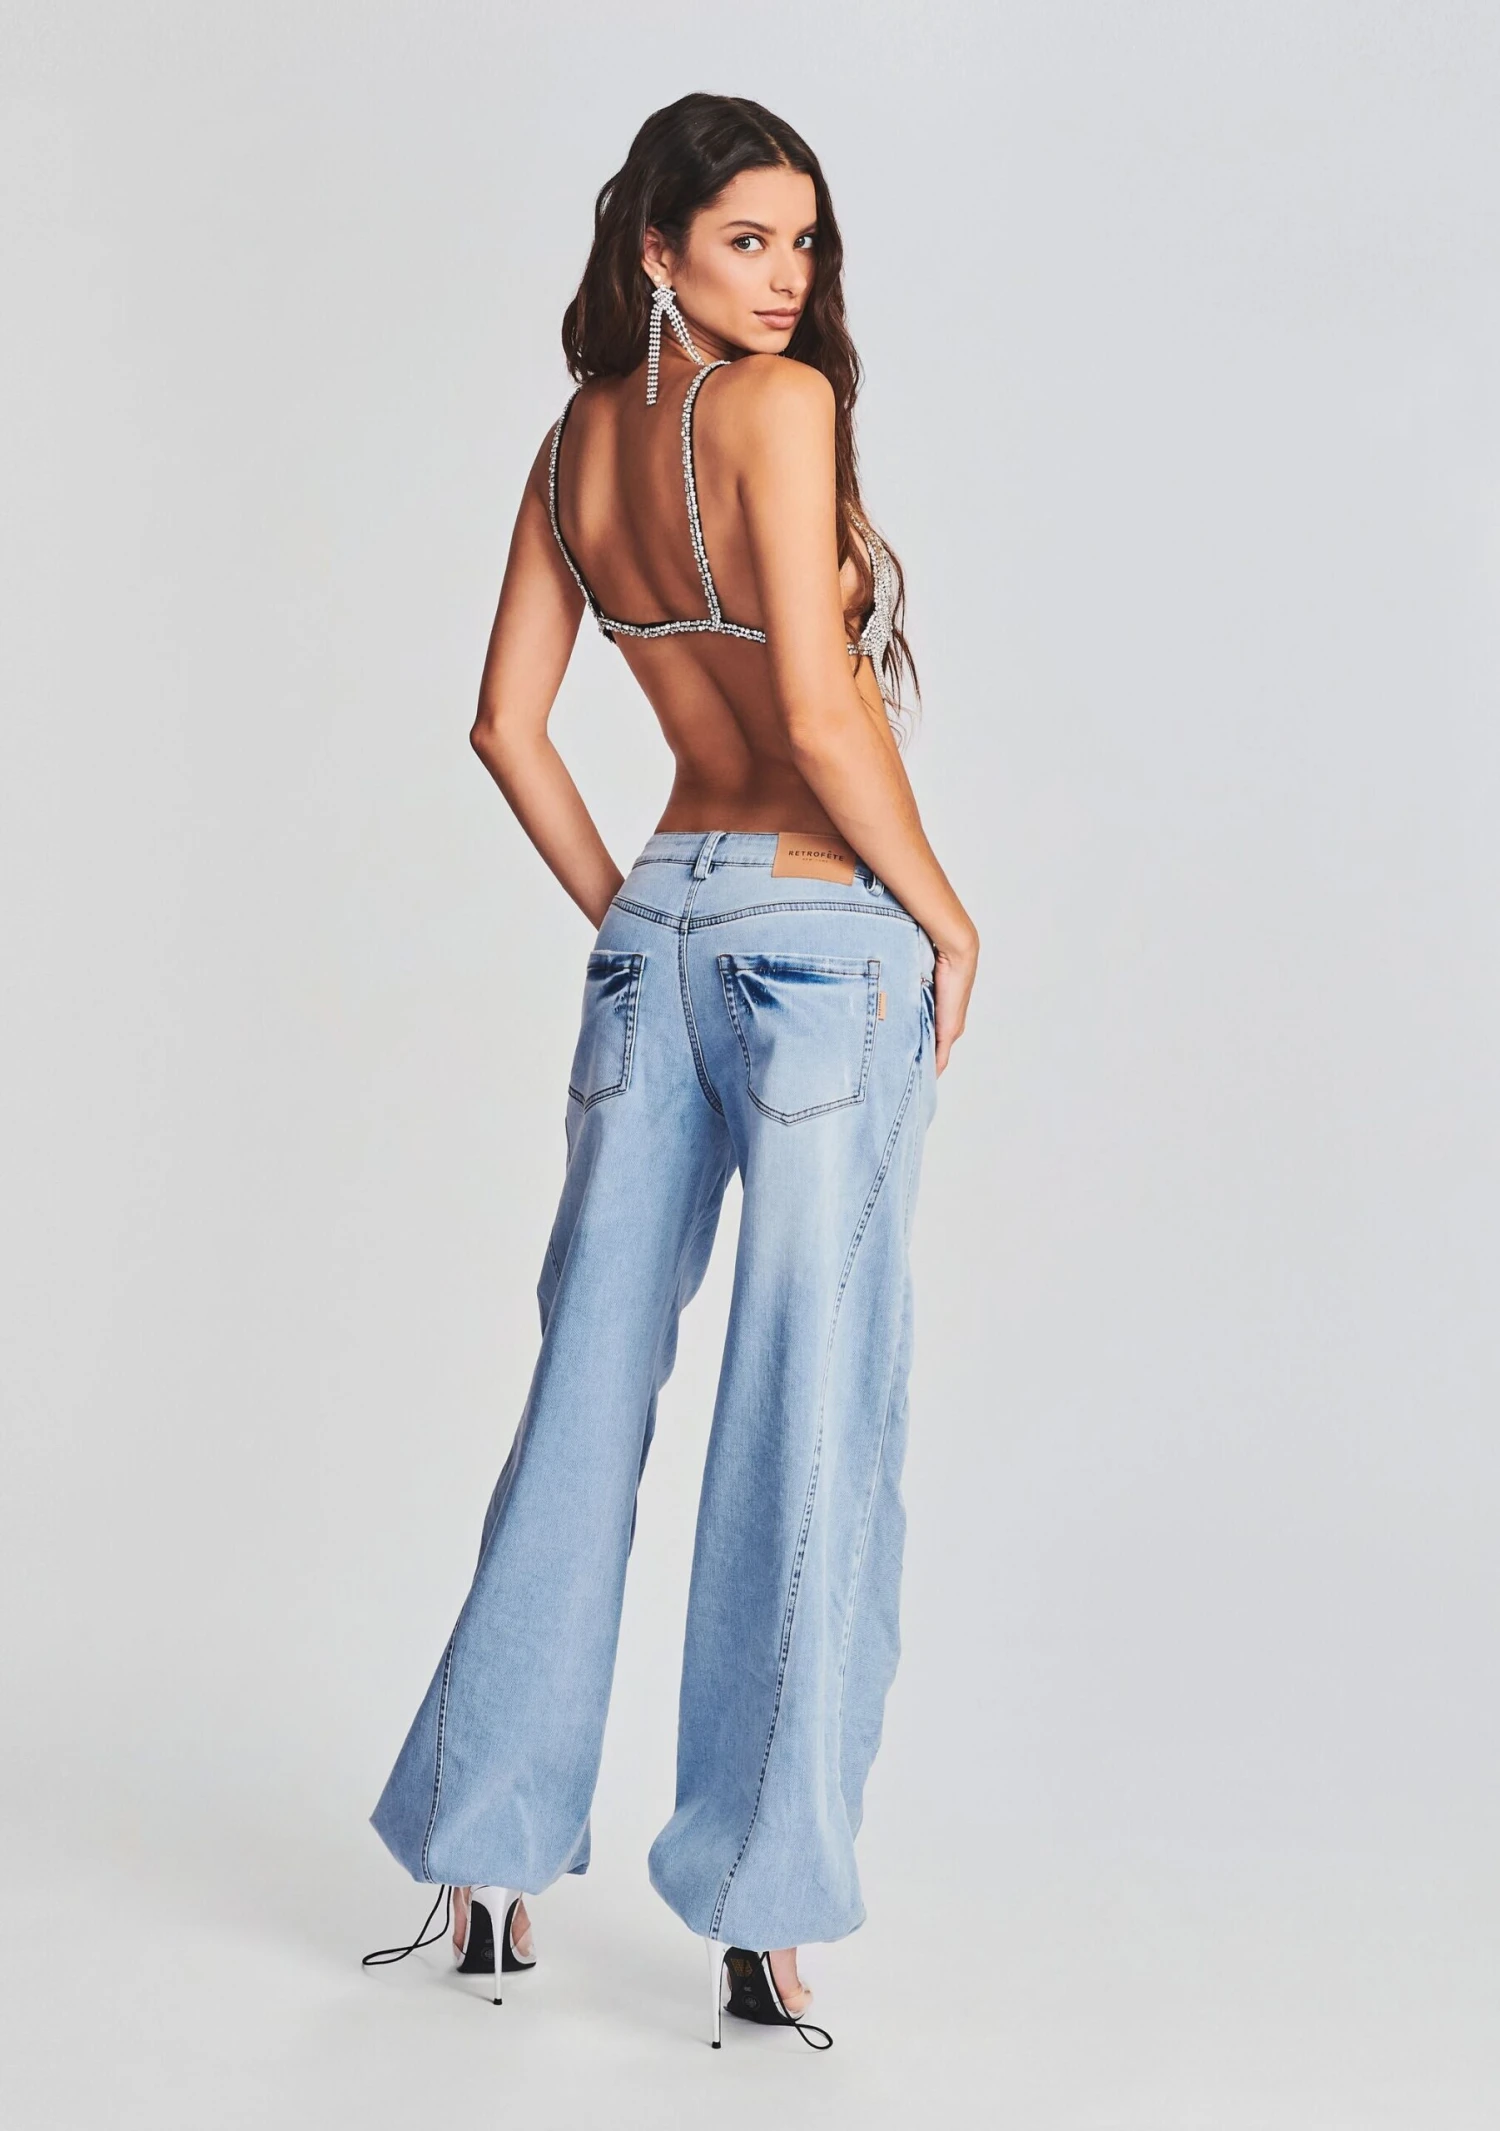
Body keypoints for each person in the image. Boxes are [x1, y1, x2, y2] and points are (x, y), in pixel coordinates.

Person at [363, 92, 978, 2049]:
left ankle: (484, 1861)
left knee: (585, 1388)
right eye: (745, 242)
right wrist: (948, 914)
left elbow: (507, 725)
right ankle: (763, 1915)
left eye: (805, 242)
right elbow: (815, 703)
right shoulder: (778, 412)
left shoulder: (576, 445)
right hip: (820, 935)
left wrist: (629, 917)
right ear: (657, 249)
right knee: (806, 1408)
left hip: (663, 928)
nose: (787, 280)